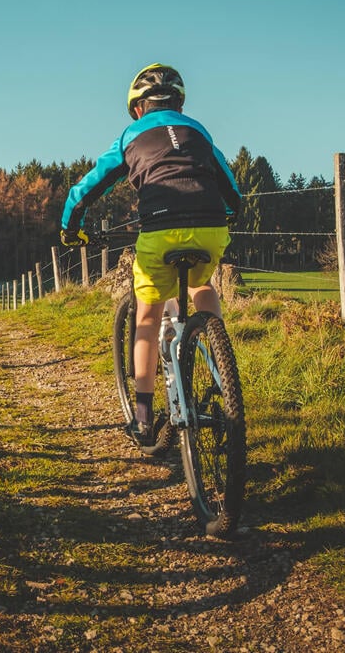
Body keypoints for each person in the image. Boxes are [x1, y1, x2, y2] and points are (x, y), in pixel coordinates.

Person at [59, 63, 241, 444]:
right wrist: (230, 212)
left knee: (148, 310)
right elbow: (230, 185)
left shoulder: (130, 135)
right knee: (202, 283)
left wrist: (70, 228)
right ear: (178, 102)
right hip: (210, 227)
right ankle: (219, 366)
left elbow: (90, 186)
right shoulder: (198, 131)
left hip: (159, 230)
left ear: (139, 107)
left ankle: (143, 419)